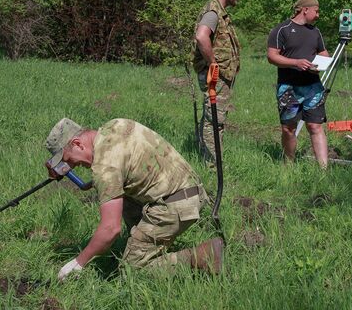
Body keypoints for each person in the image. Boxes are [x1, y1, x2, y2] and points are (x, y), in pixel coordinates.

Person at [45, 118, 224, 281]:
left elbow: (110, 229)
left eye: (70, 160)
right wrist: (66, 172)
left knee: (133, 272)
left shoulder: (105, 167)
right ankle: (145, 244)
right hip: (190, 189)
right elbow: (116, 172)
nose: (75, 165)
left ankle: (202, 256)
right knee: (121, 196)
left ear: (77, 144)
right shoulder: (114, 126)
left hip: (176, 205)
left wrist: (78, 263)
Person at [266, 0, 331, 168]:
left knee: (315, 126)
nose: (318, 15)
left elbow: (323, 53)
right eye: (316, 11)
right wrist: (296, 62)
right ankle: (289, 166)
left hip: (313, 87)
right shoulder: (282, 30)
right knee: (289, 129)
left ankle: (323, 169)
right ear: (305, 10)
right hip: (289, 88)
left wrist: (322, 62)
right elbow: (272, 56)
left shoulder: (315, 31)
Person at [192, 0, 242, 162]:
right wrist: (213, 63)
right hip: (215, 75)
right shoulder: (213, 12)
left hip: (219, 74)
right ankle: (212, 163)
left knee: (212, 116)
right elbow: (201, 37)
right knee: (215, 119)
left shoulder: (218, 11)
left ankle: (210, 158)